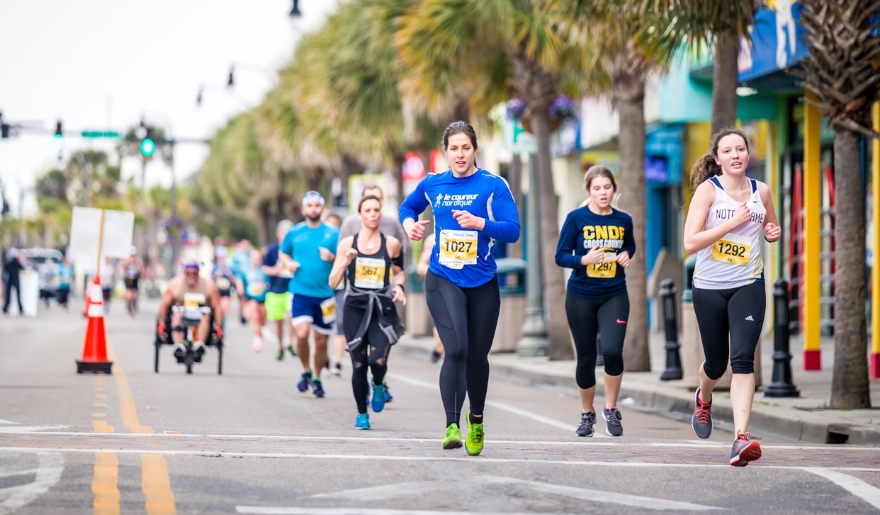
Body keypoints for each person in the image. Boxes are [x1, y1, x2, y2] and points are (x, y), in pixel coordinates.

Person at [399, 121, 520, 455]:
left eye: (466, 147)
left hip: (482, 282)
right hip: (443, 277)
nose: (460, 154)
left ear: (475, 150)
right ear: (446, 151)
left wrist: (480, 223)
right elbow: (407, 207)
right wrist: (411, 225)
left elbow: (512, 230)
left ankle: (476, 421)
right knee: (456, 349)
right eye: (454, 148)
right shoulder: (433, 184)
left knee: (477, 357)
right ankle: (452, 424)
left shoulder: (493, 185)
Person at [683, 128, 781, 467]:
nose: (736, 155)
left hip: (748, 284)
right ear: (718, 158)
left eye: (741, 149)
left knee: (742, 360)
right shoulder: (708, 192)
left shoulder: (761, 191)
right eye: (729, 150)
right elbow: (690, 243)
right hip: (709, 286)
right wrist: (730, 223)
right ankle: (704, 396)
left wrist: (772, 233)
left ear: (748, 154)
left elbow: (771, 227)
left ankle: (740, 438)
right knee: (716, 363)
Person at [555, 166, 634, 438]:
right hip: (580, 297)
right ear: (588, 191)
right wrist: (583, 260)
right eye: (597, 188)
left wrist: (626, 255)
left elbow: (630, 245)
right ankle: (587, 414)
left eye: (607, 187)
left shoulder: (624, 220)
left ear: (614, 189)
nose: (603, 193)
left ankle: (611, 408)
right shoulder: (576, 219)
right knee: (586, 358)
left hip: (614, 293)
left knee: (612, 351)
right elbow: (561, 256)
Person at [330, 195, 407, 429]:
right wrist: (345, 262)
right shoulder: (347, 244)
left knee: (377, 360)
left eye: (376, 210)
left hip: (382, 308)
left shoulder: (391, 243)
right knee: (359, 364)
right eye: (368, 210)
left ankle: (378, 383)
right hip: (355, 307)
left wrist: (399, 287)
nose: (373, 214)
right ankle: (362, 413)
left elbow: (399, 272)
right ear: (360, 214)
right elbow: (333, 282)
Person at [280, 191, 340, 398]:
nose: (313, 209)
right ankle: (305, 369)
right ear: (304, 209)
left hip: (326, 295)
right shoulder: (294, 232)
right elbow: (283, 252)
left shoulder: (333, 233)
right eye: (310, 206)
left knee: (322, 341)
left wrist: (332, 257)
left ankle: (316, 377)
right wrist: (288, 263)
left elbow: (344, 258)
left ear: (322, 208)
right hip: (300, 292)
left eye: (317, 205)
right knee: (302, 334)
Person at [157, 255, 224, 359]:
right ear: (184, 272)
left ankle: (199, 345)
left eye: (194, 273)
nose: (191, 276)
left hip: (201, 316)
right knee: (176, 314)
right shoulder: (175, 284)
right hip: (181, 315)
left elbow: (217, 307)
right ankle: (179, 344)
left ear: (198, 272)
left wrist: (219, 326)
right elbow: (164, 305)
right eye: (188, 273)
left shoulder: (209, 285)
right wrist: (161, 325)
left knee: (206, 316)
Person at [263, 220, 296, 361]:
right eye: (283, 232)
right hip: (275, 290)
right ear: (278, 234)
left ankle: (290, 342)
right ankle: (280, 345)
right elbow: (264, 268)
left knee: (292, 315)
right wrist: (274, 270)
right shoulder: (271, 249)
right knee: (278, 321)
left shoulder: (295, 249)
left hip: (292, 288)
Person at [417, 233, 445, 363]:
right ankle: (438, 350)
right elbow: (421, 268)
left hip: (462, 289)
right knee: (442, 341)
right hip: (438, 291)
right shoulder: (432, 239)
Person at [238, 248, 269, 352]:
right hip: (251, 297)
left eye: (258, 258)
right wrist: (241, 290)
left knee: (263, 319)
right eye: (254, 258)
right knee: (254, 316)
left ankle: (260, 329)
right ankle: (256, 341)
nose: (256, 260)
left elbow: (268, 284)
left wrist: (264, 286)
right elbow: (240, 280)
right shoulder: (246, 270)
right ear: (251, 258)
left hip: (262, 298)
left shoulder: (264, 270)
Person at [211, 247, 238, 328]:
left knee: (224, 310)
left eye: (223, 256)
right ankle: (217, 325)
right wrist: (215, 276)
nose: (222, 258)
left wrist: (230, 276)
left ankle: (222, 328)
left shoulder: (229, 268)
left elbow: (234, 281)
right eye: (220, 256)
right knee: (218, 310)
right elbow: (210, 281)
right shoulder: (214, 267)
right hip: (217, 292)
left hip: (226, 292)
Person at [231, 239, 253, 325]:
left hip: (248, 278)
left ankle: (245, 312)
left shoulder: (249, 254)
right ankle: (242, 313)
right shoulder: (237, 255)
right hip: (239, 277)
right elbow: (233, 267)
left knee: (246, 295)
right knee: (241, 294)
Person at [122, 246, 144, 317]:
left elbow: (141, 271)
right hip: (128, 279)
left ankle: (134, 306)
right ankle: (128, 305)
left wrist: (138, 270)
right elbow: (123, 269)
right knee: (128, 294)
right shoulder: (126, 260)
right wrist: (125, 274)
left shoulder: (138, 261)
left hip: (135, 279)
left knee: (134, 295)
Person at [3, 248, 24, 315]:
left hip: (10, 280)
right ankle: (20, 308)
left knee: (8, 295)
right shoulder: (16, 263)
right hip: (16, 280)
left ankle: (6, 308)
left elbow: (6, 269)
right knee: (18, 295)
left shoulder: (9, 263)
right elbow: (22, 268)